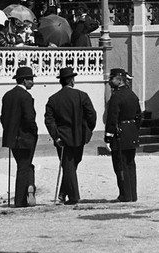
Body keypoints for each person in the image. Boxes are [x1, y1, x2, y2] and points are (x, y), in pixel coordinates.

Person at [44, 66, 96, 206]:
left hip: (62, 139)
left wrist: (56, 137)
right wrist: (87, 132)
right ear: (71, 81)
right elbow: (91, 116)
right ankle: (74, 197)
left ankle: (63, 194)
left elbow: (49, 120)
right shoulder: (82, 95)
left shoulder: (53, 99)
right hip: (79, 137)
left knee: (69, 166)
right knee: (71, 166)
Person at [0, 65, 38, 208]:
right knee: (23, 167)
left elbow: (3, 118)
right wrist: (34, 131)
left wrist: (9, 131)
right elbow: (29, 118)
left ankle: (30, 186)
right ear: (24, 81)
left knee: (24, 166)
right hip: (26, 138)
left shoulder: (7, 95)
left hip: (12, 138)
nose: (32, 82)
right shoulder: (26, 96)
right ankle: (20, 200)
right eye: (31, 80)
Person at [104, 67, 141, 202]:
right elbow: (139, 116)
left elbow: (112, 118)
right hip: (131, 132)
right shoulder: (132, 95)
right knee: (131, 164)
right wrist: (134, 129)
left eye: (111, 79)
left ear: (119, 80)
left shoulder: (116, 97)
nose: (109, 82)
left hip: (120, 134)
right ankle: (132, 195)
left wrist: (108, 137)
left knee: (120, 165)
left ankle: (125, 195)